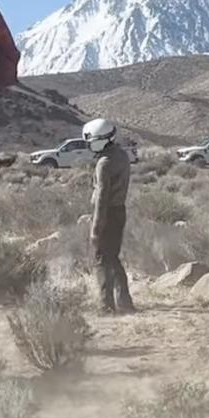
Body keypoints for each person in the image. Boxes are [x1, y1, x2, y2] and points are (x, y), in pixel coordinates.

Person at [85, 117, 134, 314]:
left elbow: (102, 197)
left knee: (102, 260)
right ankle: (125, 301)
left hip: (107, 213)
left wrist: (96, 228)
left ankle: (106, 306)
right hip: (119, 211)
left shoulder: (104, 163)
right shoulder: (121, 155)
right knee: (113, 257)